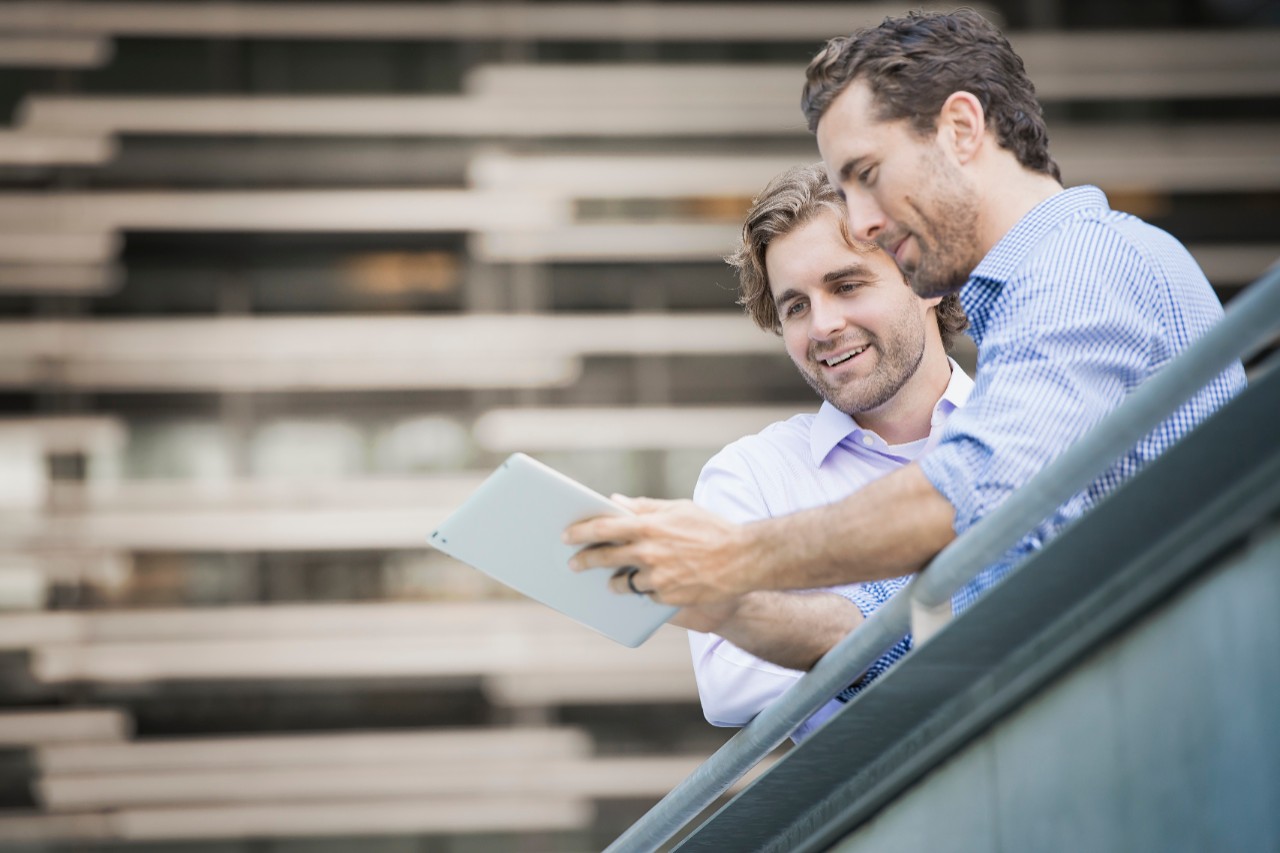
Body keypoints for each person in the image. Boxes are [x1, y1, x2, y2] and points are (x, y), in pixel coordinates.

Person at [565, 10, 1244, 619]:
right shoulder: (1037, 296)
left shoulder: (1079, 266)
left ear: (959, 128)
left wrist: (731, 555)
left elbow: (973, 494)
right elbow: (975, 579)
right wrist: (719, 602)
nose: (862, 219)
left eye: (866, 174)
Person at [677, 162, 970, 740]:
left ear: (926, 280)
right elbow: (729, 681)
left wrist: (809, 618)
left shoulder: (1024, 422)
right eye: (796, 306)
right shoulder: (751, 475)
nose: (823, 325)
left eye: (847, 286)